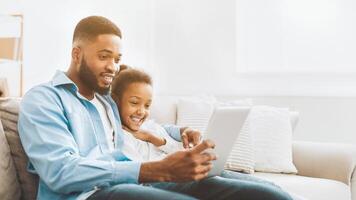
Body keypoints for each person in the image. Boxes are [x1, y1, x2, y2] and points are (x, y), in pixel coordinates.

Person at [18, 16, 293, 200]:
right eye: (104, 57)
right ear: (76, 54)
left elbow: (137, 126)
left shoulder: (105, 101)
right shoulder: (43, 100)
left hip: (133, 183)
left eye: (117, 59)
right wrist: (157, 170)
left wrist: (179, 131)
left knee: (267, 194)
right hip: (89, 195)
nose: (113, 67)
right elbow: (61, 173)